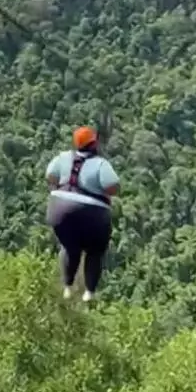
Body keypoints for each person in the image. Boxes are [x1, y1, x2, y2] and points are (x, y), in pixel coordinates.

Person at [45, 126, 120, 303]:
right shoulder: (101, 163)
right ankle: (89, 293)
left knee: (69, 246)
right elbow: (113, 186)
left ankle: (68, 288)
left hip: (59, 208)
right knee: (95, 250)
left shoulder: (63, 157)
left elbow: (50, 175)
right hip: (92, 213)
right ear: (94, 144)